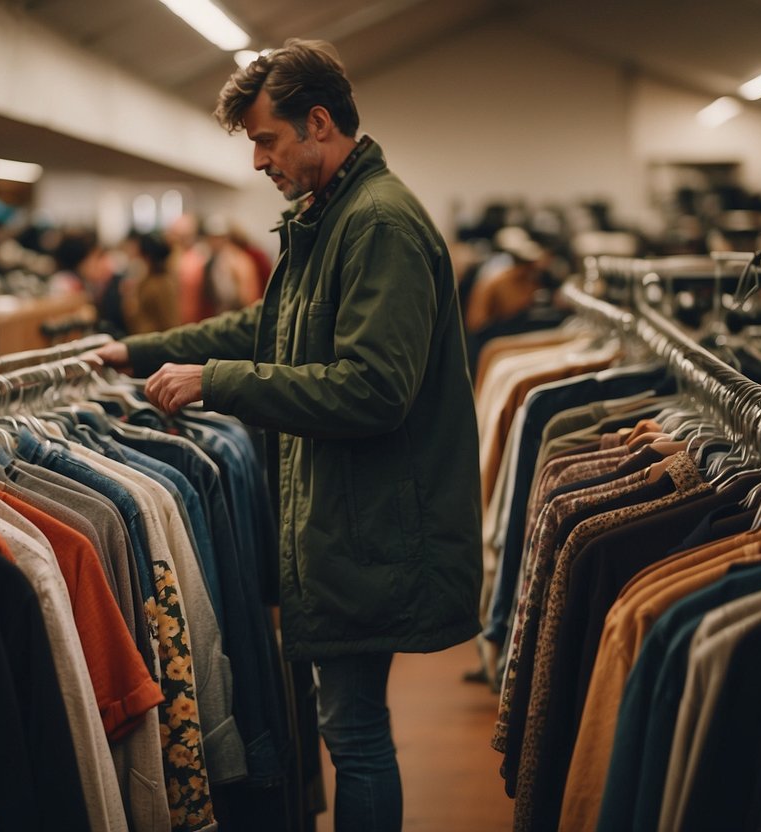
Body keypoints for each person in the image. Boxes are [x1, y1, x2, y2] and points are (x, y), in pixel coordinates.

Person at [88, 38, 482, 832]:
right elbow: (262, 327)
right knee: (348, 725)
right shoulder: (326, 217)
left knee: (355, 733)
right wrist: (139, 351)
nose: (259, 160)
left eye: (267, 140)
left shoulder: (377, 225)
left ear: (319, 122)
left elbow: (375, 392)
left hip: (375, 526)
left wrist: (218, 384)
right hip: (346, 518)